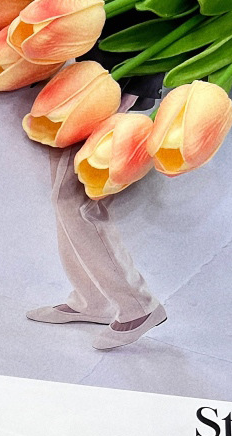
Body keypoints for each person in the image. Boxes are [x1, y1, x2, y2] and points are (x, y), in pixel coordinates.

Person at [27, 81, 167, 351]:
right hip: (78, 86)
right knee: (64, 197)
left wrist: (131, 95)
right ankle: (92, 300)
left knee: (76, 202)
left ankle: (138, 306)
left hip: (107, 90)